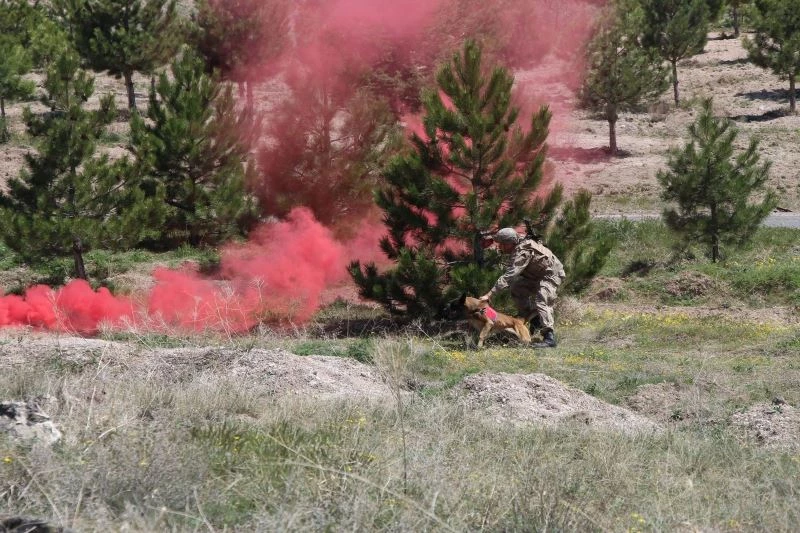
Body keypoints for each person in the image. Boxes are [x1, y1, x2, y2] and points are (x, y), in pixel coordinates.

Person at [479, 227, 565, 348]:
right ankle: (531, 319)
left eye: (502, 244)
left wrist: (489, 294)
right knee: (517, 288)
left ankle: (549, 337)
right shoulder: (517, 247)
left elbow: (510, 274)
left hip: (551, 274)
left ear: (510, 243)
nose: (500, 247)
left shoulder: (522, 252)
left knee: (542, 300)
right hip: (537, 275)